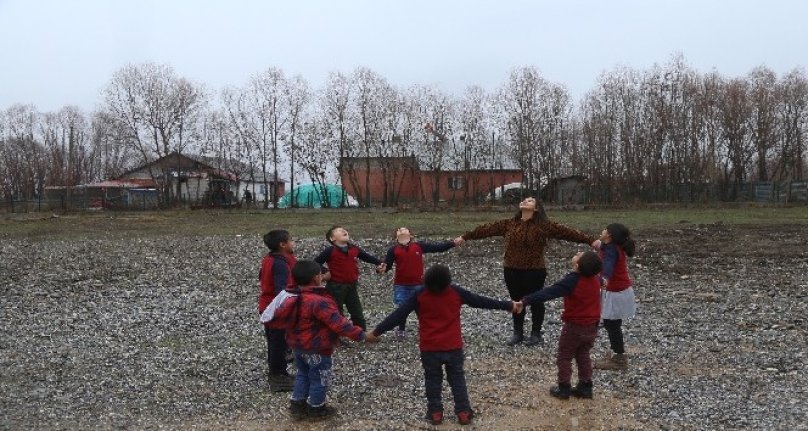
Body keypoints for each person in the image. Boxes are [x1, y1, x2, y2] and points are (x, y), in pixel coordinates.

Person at [366, 264, 523, 426]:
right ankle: (463, 412)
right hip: (453, 346)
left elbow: (398, 315)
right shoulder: (455, 291)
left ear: (426, 280)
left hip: (430, 348)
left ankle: (435, 413)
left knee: (433, 380)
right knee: (457, 379)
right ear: (447, 281)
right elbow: (481, 301)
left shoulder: (419, 294)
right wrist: (508, 305)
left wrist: (376, 332)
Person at [455, 197, 598, 346]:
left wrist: (591, 240)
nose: (525, 201)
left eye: (530, 201)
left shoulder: (544, 226)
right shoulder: (509, 224)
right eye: (524, 200)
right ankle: (518, 332)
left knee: (536, 300)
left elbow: (568, 233)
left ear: (536, 209)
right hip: (511, 269)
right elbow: (486, 229)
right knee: (516, 300)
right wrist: (465, 237)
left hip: (535, 270)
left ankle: (536, 333)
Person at [270, 260, 369, 420]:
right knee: (319, 377)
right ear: (317, 277)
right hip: (317, 347)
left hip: (297, 345)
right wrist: (361, 335)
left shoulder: (292, 295)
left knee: (303, 373)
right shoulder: (319, 301)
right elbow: (339, 324)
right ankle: (317, 408)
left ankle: (297, 405)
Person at [522, 251, 602, 400]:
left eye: (580, 254)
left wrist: (526, 300)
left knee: (564, 357)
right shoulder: (597, 279)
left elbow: (549, 292)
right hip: (592, 326)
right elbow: (604, 281)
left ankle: (564, 388)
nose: (578, 252)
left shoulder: (572, 280)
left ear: (577, 265)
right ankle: (586, 386)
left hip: (574, 327)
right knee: (583, 355)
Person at [382, 227, 459, 339]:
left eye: (404, 229)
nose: (401, 230)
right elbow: (387, 266)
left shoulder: (419, 246)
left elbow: (437, 248)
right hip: (401, 285)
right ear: (395, 237)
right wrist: (381, 269)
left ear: (411, 235)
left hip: (419, 285)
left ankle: (426, 329)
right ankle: (401, 329)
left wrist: (452, 243)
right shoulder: (393, 250)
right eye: (399, 230)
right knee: (402, 309)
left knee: (421, 309)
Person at [314, 225, 385, 330]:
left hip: (352, 285)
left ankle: (360, 333)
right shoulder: (330, 251)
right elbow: (316, 262)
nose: (343, 230)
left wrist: (379, 262)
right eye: (338, 231)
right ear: (332, 238)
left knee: (356, 310)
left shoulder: (354, 249)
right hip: (335, 286)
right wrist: (326, 271)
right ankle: (336, 335)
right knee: (336, 311)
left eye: (344, 229)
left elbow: (366, 257)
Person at [592, 223, 637, 371]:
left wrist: (604, 278)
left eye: (605, 228)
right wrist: (600, 245)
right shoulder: (611, 247)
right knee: (612, 323)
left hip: (617, 292)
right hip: (619, 291)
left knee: (611, 324)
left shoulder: (611, 250)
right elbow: (605, 250)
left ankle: (619, 358)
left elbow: (608, 265)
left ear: (609, 235)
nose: (602, 230)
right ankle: (617, 354)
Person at [257, 229, 296, 392]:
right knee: (277, 343)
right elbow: (282, 289)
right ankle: (277, 376)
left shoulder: (271, 259)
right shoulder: (279, 263)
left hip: (270, 306)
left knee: (279, 341)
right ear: (282, 244)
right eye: (291, 240)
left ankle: (281, 372)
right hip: (274, 308)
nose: (293, 243)